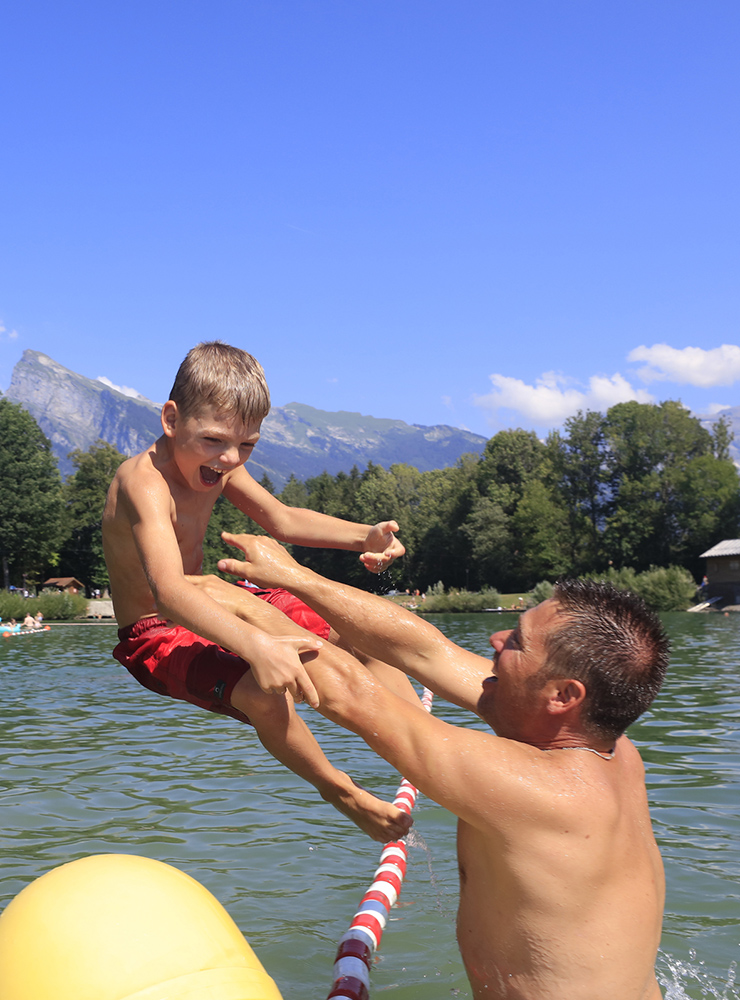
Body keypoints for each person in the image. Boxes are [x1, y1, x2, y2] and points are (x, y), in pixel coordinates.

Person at [195, 534, 670, 1000]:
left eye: (518, 642)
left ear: (563, 696)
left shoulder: (539, 791)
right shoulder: (608, 745)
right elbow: (425, 650)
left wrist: (242, 612)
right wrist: (293, 577)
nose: (496, 638)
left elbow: (356, 698)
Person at [102, 341, 411, 843]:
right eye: (215, 441)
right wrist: (257, 646)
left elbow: (283, 520)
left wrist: (365, 535)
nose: (228, 459)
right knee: (261, 693)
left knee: (353, 631)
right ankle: (340, 790)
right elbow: (169, 593)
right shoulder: (144, 483)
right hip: (157, 633)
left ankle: (417, 742)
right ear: (171, 418)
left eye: (247, 446)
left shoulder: (216, 462)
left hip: (213, 600)